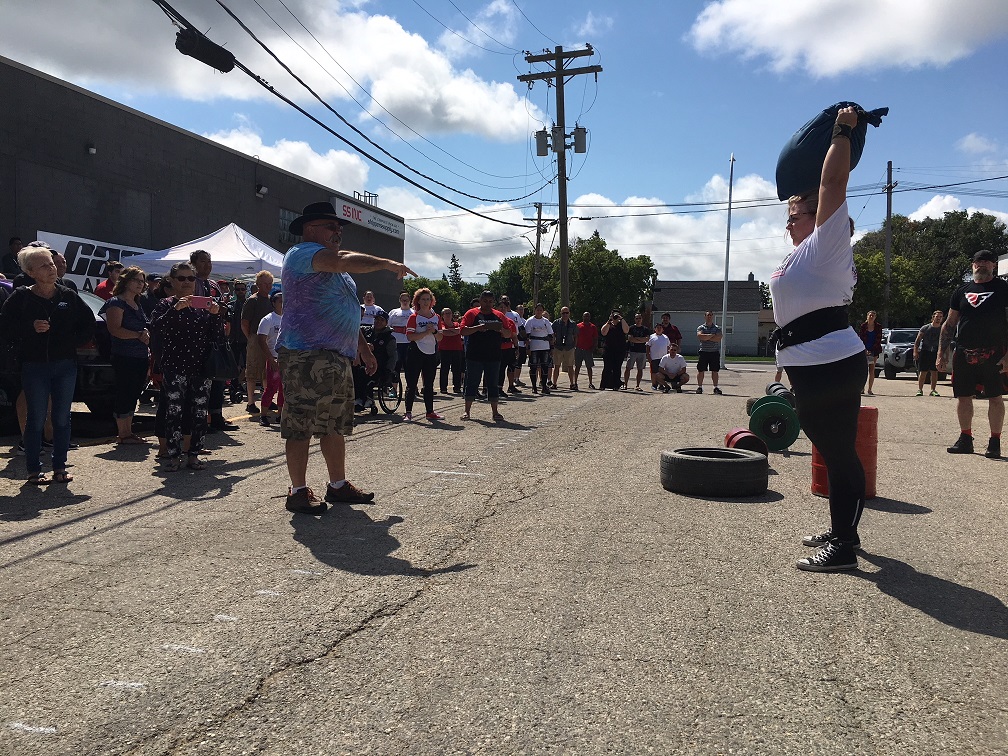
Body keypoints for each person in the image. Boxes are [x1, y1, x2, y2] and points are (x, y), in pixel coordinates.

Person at [769, 104, 866, 572]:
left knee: (838, 452)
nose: (788, 224)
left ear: (817, 217)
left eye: (794, 216)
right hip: (818, 364)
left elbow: (832, 185)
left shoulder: (827, 246)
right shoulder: (804, 255)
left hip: (830, 363)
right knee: (833, 449)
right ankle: (843, 530)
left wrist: (842, 132)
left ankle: (844, 547)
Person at [277, 201, 415, 513]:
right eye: (331, 226)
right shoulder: (303, 254)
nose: (338, 232)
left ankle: (337, 485)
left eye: (339, 227)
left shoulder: (338, 274)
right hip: (307, 354)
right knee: (302, 424)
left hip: (335, 357)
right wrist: (386, 263)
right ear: (310, 229)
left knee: (334, 425)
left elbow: (347, 311)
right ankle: (297, 491)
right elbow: (342, 259)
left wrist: (364, 350)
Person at [0, 244, 94, 484]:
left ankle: (60, 467)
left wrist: (71, 342)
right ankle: (33, 470)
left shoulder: (68, 295)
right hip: (34, 365)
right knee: (36, 417)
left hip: (65, 365)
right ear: (31, 272)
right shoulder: (20, 297)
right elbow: (5, 329)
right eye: (44, 265)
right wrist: (29, 328)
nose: (51, 268)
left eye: (52, 264)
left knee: (62, 417)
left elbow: (88, 324)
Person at [150, 262, 225, 472]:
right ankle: (174, 455)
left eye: (190, 278)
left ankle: (194, 455)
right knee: (173, 412)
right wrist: (175, 310)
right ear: (172, 281)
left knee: (200, 413)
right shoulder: (165, 304)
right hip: (175, 367)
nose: (186, 283)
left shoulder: (203, 306)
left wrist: (216, 315)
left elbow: (217, 337)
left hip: (201, 367)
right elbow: (155, 328)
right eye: (181, 278)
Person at [938, 249, 1008, 459]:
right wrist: (942, 353)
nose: (982, 265)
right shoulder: (961, 291)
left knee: (995, 398)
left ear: (994, 265)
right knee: (963, 397)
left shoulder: (1004, 289)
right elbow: (949, 324)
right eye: (978, 262)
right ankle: (965, 439)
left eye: (986, 262)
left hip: (994, 353)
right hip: (964, 352)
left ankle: (994, 442)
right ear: (972, 265)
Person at [100, 265, 151, 444]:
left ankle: (128, 431)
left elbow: (142, 326)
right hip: (124, 355)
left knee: (134, 392)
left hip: (140, 355)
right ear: (126, 281)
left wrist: (145, 333)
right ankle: (123, 433)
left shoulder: (137, 303)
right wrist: (138, 335)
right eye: (136, 280)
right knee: (125, 392)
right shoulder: (116, 302)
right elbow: (115, 329)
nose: (140, 284)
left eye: (142, 281)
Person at [190, 249, 236, 433]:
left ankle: (216, 417)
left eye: (209, 261)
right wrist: (211, 306)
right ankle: (199, 421)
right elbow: (191, 302)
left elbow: (219, 305)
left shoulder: (213, 284)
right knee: (201, 382)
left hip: (216, 338)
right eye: (203, 261)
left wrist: (223, 310)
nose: (207, 265)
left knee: (218, 379)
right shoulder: (190, 283)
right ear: (193, 263)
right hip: (198, 340)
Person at [460, 291, 515, 421]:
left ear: (494, 302)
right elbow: (463, 330)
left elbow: (509, 334)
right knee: (472, 383)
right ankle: (467, 411)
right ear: (480, 300)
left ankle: (495, 412)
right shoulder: (472, 313)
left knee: (493, 384)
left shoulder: (499, 315)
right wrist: (479, 327)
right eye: (485, 301)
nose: (488, 304)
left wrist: (500, 329)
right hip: (475, 355)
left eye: (490, 301)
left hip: (493, 355)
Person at [403, 287, 444, 422]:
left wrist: (433, 332)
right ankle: (408, 412)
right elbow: (410, 337)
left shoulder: (436, 317)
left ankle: (430, 412)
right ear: (418, 301)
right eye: (423, 299)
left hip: (431, 352)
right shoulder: (414, 317)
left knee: (429, 383)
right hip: (415, 352)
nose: (426, 302)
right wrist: (425, 332)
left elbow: (440, 337)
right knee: (412, 383)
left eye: (428, 299)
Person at [241, 270, 275, 416]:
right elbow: (244, 323)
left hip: (269, 339)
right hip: (255, 338)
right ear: (258, 285)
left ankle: (267, 400)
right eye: (265, 284)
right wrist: (250, 338)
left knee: (267, 372)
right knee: (253, 371)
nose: (268, 286)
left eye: (270, 284)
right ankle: (250, 402)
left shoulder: (271, 300)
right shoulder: (252, 300)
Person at [354, 308, 396, 411]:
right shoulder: (366, 331)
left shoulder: (389, 338)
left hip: (380, 367)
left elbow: (392, 356)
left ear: (386, 323)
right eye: (377, 319)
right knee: (355, 372)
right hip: (364, 363)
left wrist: (388, 370)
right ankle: (357, 398)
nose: (378, 322)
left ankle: (366, 399)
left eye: (381, 320)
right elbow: (355, 329)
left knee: (364, 375)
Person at [256, 292, 284, 427]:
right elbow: (261, 340)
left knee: (284, 389)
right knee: (271, 388)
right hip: (273, 358)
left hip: (286, 360)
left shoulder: (289, 318)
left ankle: (280, 415)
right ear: (274, 303)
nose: (284, 304)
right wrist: (271, 359)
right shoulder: (268, 320)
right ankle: (263, 416)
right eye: (281, 302)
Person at [524, 303, 554, 394]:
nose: (539, 311)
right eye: (537, 310)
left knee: (545, 367)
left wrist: (552, 348)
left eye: (541, 310)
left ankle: (544, 386)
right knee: (533, 367)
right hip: (534, 346)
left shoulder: (546, 321)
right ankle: (534, 387)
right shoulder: (530, 321)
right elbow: (527, 336)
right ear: (535, 310)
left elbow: (551, 335)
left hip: (544, 346)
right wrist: (528, 348)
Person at [914, 310, 944, 397]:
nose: (938, 319)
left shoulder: (942, 329)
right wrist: (915, 351)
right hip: (925, 351)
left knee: (934, 372)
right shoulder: (925, 328)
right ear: (933, 317)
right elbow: (917, 341)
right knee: (923, 371)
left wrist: (943, 355)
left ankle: (933, 390)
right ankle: (920, 389)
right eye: (937, 317)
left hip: (936, 352)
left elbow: (945, 342)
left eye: (940, 317)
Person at [227, 278, 248, 403]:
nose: (240, 291)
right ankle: (234, 387)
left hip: (246, 340)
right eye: (238, 289)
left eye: (242, 289)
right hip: (234, 340)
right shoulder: (231, 305)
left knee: (247, 366)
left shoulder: (249, 303)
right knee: (234, 366)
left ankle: (239, 383)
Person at [695, 311, 724, 394]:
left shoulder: (717, 328)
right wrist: (712, 335)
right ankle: (699, 387)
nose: (709, 317)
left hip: (714, 352)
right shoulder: (701, 327)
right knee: (701, 370)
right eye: (708, 315)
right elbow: (700, 336)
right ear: (705, 316)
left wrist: (706, 337)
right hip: (703, 352)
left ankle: (715, 387)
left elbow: (718, 338)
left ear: (713, 317)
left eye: (711, 315)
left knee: (715, 370)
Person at [438, 307, 465, 395]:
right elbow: (444, 332)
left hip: (457, 349)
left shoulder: (457, 323)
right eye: (446, 313)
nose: (449, 315)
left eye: (450, 313)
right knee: (444, 369)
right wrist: (454, 331)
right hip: (445, 349)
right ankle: (443, 388)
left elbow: (460, 331)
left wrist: (450, 331)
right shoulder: (441, 324)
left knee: (457, 369)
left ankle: (457, 387)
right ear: (442, 316)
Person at [599, 311, 629, 390]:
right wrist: (609, 321)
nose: (615, 317)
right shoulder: (608, 324)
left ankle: (616, 385)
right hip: (608, 350)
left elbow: (626, 330)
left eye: (616, 315)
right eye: (614, 315)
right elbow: (603, 332)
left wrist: (621, 319)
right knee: (607, 368)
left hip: (619, 350)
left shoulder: (621, 324)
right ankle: (603, 385)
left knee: (617, 368)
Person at [551, 307, 578, 390]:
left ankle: (572, 384)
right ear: (560, 314)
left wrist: (574, 346)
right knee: (557, 366)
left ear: (569, 313)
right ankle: (554, 383)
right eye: (563, 313)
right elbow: (552, 334)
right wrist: (552, 344)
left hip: (569, 347)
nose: (565, 315)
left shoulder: (573, 324)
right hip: (558, 347)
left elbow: (576, 336)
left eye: (567, 313)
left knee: (570, 366)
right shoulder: (556, 323)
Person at [858, 310, 883, 396]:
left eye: (873, 316)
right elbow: (860, 338)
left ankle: (870, 389)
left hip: (874, 350)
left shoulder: (878, 327)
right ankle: (862, 388)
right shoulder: (863, 326)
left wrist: (871, 350)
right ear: (867, 316)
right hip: (864, 350)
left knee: (872, 369)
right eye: (870, 315)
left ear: (875, 317)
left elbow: (878, 339)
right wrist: (865, 349)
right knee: (863, 369)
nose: (871, 317)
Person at [387, 291, 413, 372]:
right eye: (403, 300)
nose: (405, 302)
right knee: (396, 367)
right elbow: (388, 326)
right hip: (396, 342)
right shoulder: (393, 312)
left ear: (410, 300)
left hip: (410, 342)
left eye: (406, 300)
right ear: (399, 300)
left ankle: (411, 384)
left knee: (409, 367)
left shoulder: (414, 312)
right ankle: (394, 384)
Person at [623, 312, 649, 391]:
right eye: (637, 318)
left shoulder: (645, 329)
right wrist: (641, 340)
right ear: (635, 319)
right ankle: (625, 384)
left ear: (642, 319)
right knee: (628, 368)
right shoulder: (631, 328)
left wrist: (636, 339)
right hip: (632, 351)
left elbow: (647, 339)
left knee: (640, 369)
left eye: (639, 318)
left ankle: (637, 385)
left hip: (642, 352)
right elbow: (630, 338)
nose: (638, 320)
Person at [646, 323, 671, 390]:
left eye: (660, 327)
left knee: (662, 372)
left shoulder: (665, 337)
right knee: (654, 372)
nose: (659, 329)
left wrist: (669, 356)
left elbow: (668, 347)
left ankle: (661, 385)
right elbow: (648, 347)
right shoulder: (651, 337)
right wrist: (648, 356)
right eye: (657, 327)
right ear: (655, 329)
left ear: (662, 329)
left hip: (663, 359)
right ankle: (654, 385)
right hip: (654, 358)